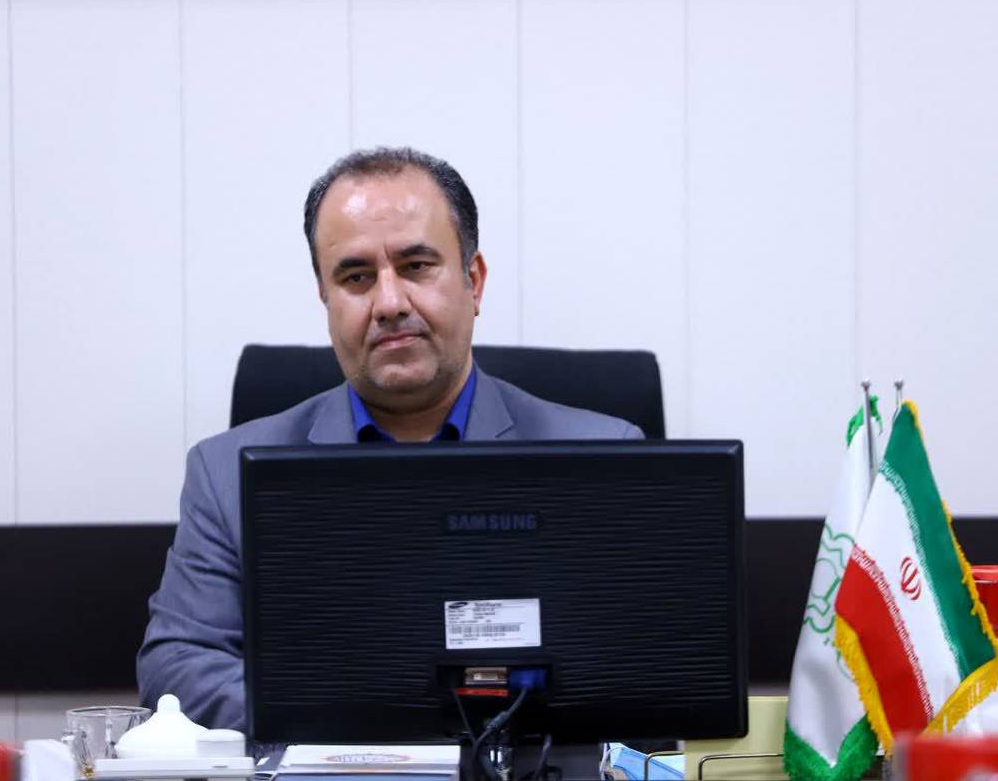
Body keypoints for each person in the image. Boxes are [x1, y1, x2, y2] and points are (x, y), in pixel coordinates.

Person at [137, 147, 644, 728]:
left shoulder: (605, 457)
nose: (389, 303)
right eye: (356, 277)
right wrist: (359, 725)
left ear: (473, 282)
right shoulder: (224, 471)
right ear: (326, 298)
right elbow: (179, 666)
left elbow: (642, 659)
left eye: (417, 266)